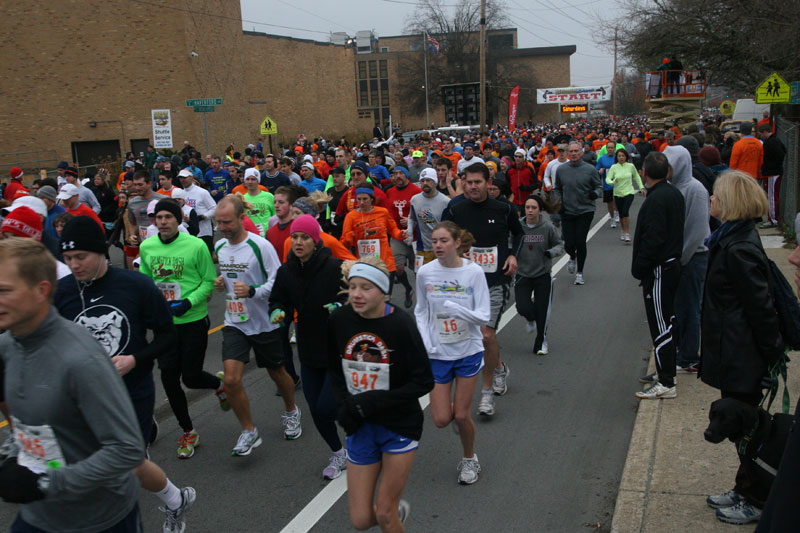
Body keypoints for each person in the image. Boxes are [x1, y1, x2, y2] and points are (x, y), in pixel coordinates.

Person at [54, 217, 196, 531]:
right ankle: (176, 499)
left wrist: (133, 359)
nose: (74, 265)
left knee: (118, 469)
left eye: (81, 257)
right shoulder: (61, 292)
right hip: (83, 395)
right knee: (116, 466)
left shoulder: (136, 285)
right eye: (67, 259)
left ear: (101, 252)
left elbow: (167, 336)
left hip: (132, 391)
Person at [0, 238, 145, 532]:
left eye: (4, 291)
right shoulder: (8, 345)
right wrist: (12, 454)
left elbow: (127, 449)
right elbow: (29, 422)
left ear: (41, 291)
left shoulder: (81, 359)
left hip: (99, 520)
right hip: (38, 516)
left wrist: (47, 482)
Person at [701, 170, 785, 525]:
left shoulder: (738, 247)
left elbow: (761, 308)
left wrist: (772, 357)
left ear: (730, 203)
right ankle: (744, 486)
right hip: (733, 348)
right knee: (742, 433)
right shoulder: (731, 240)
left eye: (716, 195)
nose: (711, 201)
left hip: (742, 353)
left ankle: (756, 495)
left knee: (751, 433)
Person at [327, 256, 434, 532]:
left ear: (383, 291)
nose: (357, 294)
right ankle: (394, 512)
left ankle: (390, 513)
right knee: (361, 520)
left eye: (366, 288)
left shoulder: (401, 324)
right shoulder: (339, 320)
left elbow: (423, 381)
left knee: (385, 515)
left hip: (399, 425)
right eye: (353, 287)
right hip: (361, 426)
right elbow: (334, 368)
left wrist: (371, 402)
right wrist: (346, 406)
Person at [212, 196, 302, 455]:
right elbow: (231, 276)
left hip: (264, 322)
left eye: (227, 222)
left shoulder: (260, 246)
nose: (223, 227)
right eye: (219, 223)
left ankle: (291, 410)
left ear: (242, 218)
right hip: (234, 321)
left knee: (277, 373)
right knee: (230, 379)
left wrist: (253, 292)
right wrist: (222, 282)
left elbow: (278, 281)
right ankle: (249, 430)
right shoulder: (220, 247)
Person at [139, 199, 226, 459]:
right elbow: (145, 281)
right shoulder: (147, 247)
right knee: (168, 378)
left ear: (178, 220)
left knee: (191, 376)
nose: (163, 221)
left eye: (168, 217)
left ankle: (219, 385)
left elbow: (209, 282)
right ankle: (188, 431)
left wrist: (188, 302)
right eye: (159, 217)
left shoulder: (196, 245)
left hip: (193, 320)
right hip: (165, 325)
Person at [269, 215, 347, 478]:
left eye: (304, 237)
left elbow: (357, 294)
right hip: (309, 349)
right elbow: (278, 299)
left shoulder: (335, 267)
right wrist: (278, 311)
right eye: (295, 237)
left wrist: (341, 306)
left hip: (338, 349)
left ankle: (364, 433)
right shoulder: (286, 271)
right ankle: (339, 453)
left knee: (328, 406)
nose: (298, 242)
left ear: (315, 240)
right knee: (316, 409)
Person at [414, 221, 489, 484]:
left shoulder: (474, 272)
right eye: (434, 241)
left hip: (468, 349)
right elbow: (421, 311)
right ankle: (460, 418)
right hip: (438, 353)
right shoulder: (425, 272)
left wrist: (459, 311)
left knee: (460, 414)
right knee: (442, 419)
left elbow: (484, 315)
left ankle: (470, 459)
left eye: (443, 240)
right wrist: (426, 341)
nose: (438, 246)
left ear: (457, 243)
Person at [445, 162, 522, 417]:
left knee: (486, 336)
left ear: (488, 183)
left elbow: (518, 234)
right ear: (463, 182)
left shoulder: (503, 209)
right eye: (469, 182)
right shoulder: (455, 209)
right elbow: (445, 237)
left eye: (478, 182)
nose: (473, 186)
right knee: (473, 336)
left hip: (495, 280)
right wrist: (457, 253)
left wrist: (512, 255)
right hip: (465, 283)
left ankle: (487, 393)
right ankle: (498, 367)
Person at [631, 152, 684, 400]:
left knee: (661, 324)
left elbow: (653, 239)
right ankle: (666, 372)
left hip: (661, 268)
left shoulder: (656, 200)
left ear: (644, 172)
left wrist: (639, 267)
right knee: (667, 321)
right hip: (671, 264)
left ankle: (666, 382)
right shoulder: (673, 193)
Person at [514, 194, 563, 355]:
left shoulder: (548, 227)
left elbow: (560, 244)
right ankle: (530, 317)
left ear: (539, 210)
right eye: (527, 207)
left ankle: (541, 342)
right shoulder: (518, 227)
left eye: (533, 207)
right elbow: (509, 242)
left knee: (542, 310)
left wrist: (550, 253)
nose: (530, 210)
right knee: (522, 306)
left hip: (542, 273)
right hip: (522, 273)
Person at [552, 141, 602, 285]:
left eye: (576, 151)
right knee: (568, 243)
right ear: (568, 153)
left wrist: (595, 193)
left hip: (585, 210)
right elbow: (557, 189)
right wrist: (558, 202)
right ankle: (572, 257)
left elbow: (599, 186)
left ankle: (580, 273)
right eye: (571, 151)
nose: (573, 154)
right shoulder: (561, 169)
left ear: (581, 152)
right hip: (567, 210)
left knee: (580, 241)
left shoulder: (590, 169)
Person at [340, 185, 407, 272]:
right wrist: (348, 238)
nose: (361, 202)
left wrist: (400, 234)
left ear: (371, 199)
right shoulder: (351, 216)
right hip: (364, 262)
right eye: (359, 199)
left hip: (385, 262)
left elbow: (393, 230)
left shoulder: (383, 212)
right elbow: (344, 244)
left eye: (365, 199)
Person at [384, 166, 422, 307]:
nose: (398, 176)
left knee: (417, 270)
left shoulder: (417, 191)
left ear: (407, 176)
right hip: (398, 235)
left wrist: (411, 220)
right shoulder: (389, 192)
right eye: (395, 174)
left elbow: (425, 213)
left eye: (401, 173)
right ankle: (408, 289)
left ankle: (423, 302)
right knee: (397, 268)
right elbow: (387, 214)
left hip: (415, 237)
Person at [408, 168, 450, 267]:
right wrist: (409, 232)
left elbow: (450, 227)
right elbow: (412, 218)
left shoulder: (445, 201)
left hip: (441, 249)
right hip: (422, 248)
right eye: (422, 181)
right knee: (421, 277)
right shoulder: (415, 200)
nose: (425, 183)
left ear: (435, 182)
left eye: (428, 180)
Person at [605, 148, 644, 243]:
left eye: (623, 156)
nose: (621, 158)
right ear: (617, 157)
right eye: (619, 156)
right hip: (618, 193)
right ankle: (623, 231)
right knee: (621, 214)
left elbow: (636, 177)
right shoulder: (614, 167)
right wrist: (613, 182)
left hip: (629, 192)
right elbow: (607, 180)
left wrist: (641, 187)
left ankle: (627, 233)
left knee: (625, 211)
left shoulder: (630, 166)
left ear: (626, 157)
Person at [177, 168, 217, 255]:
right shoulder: (180, 193)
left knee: (205, 258)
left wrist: (203, 216)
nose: (182, 180)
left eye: (185, 177)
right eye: (180, 178)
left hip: (204, 232)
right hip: (188, 233)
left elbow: (214, 208)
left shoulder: (202, 192)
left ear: (191, 178)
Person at [758, 123, 786, 228]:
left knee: (772, 197)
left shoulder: (771, 142)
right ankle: (772, 218)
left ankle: (773, 220)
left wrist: (770, 166)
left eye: (760, 134)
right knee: (772, 196)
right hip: (773, 172)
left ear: (765, 132)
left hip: (772, 173)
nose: (760, 136)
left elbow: (780, 154)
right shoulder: (775, 141)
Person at [242, 167, 275, 237]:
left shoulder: (269, 196)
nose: (250, 182)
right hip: (250, 236)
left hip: (267, 236)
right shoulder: (242, 199)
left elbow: (275, 216)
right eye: (247, 179)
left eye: (253, 179)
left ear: (258, 181)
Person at [596, 139, 619, 227]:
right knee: (609, 203)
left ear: (614, 148)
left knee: (616, 200)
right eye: (608, 148)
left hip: (617, 183)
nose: (610, 149)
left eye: (611, 148)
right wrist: (600, 171)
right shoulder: (602, 159)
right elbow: (597, 169)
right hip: (607, 184)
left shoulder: (618, 158)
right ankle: (612, 218)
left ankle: (616, 212)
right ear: (606, 149)